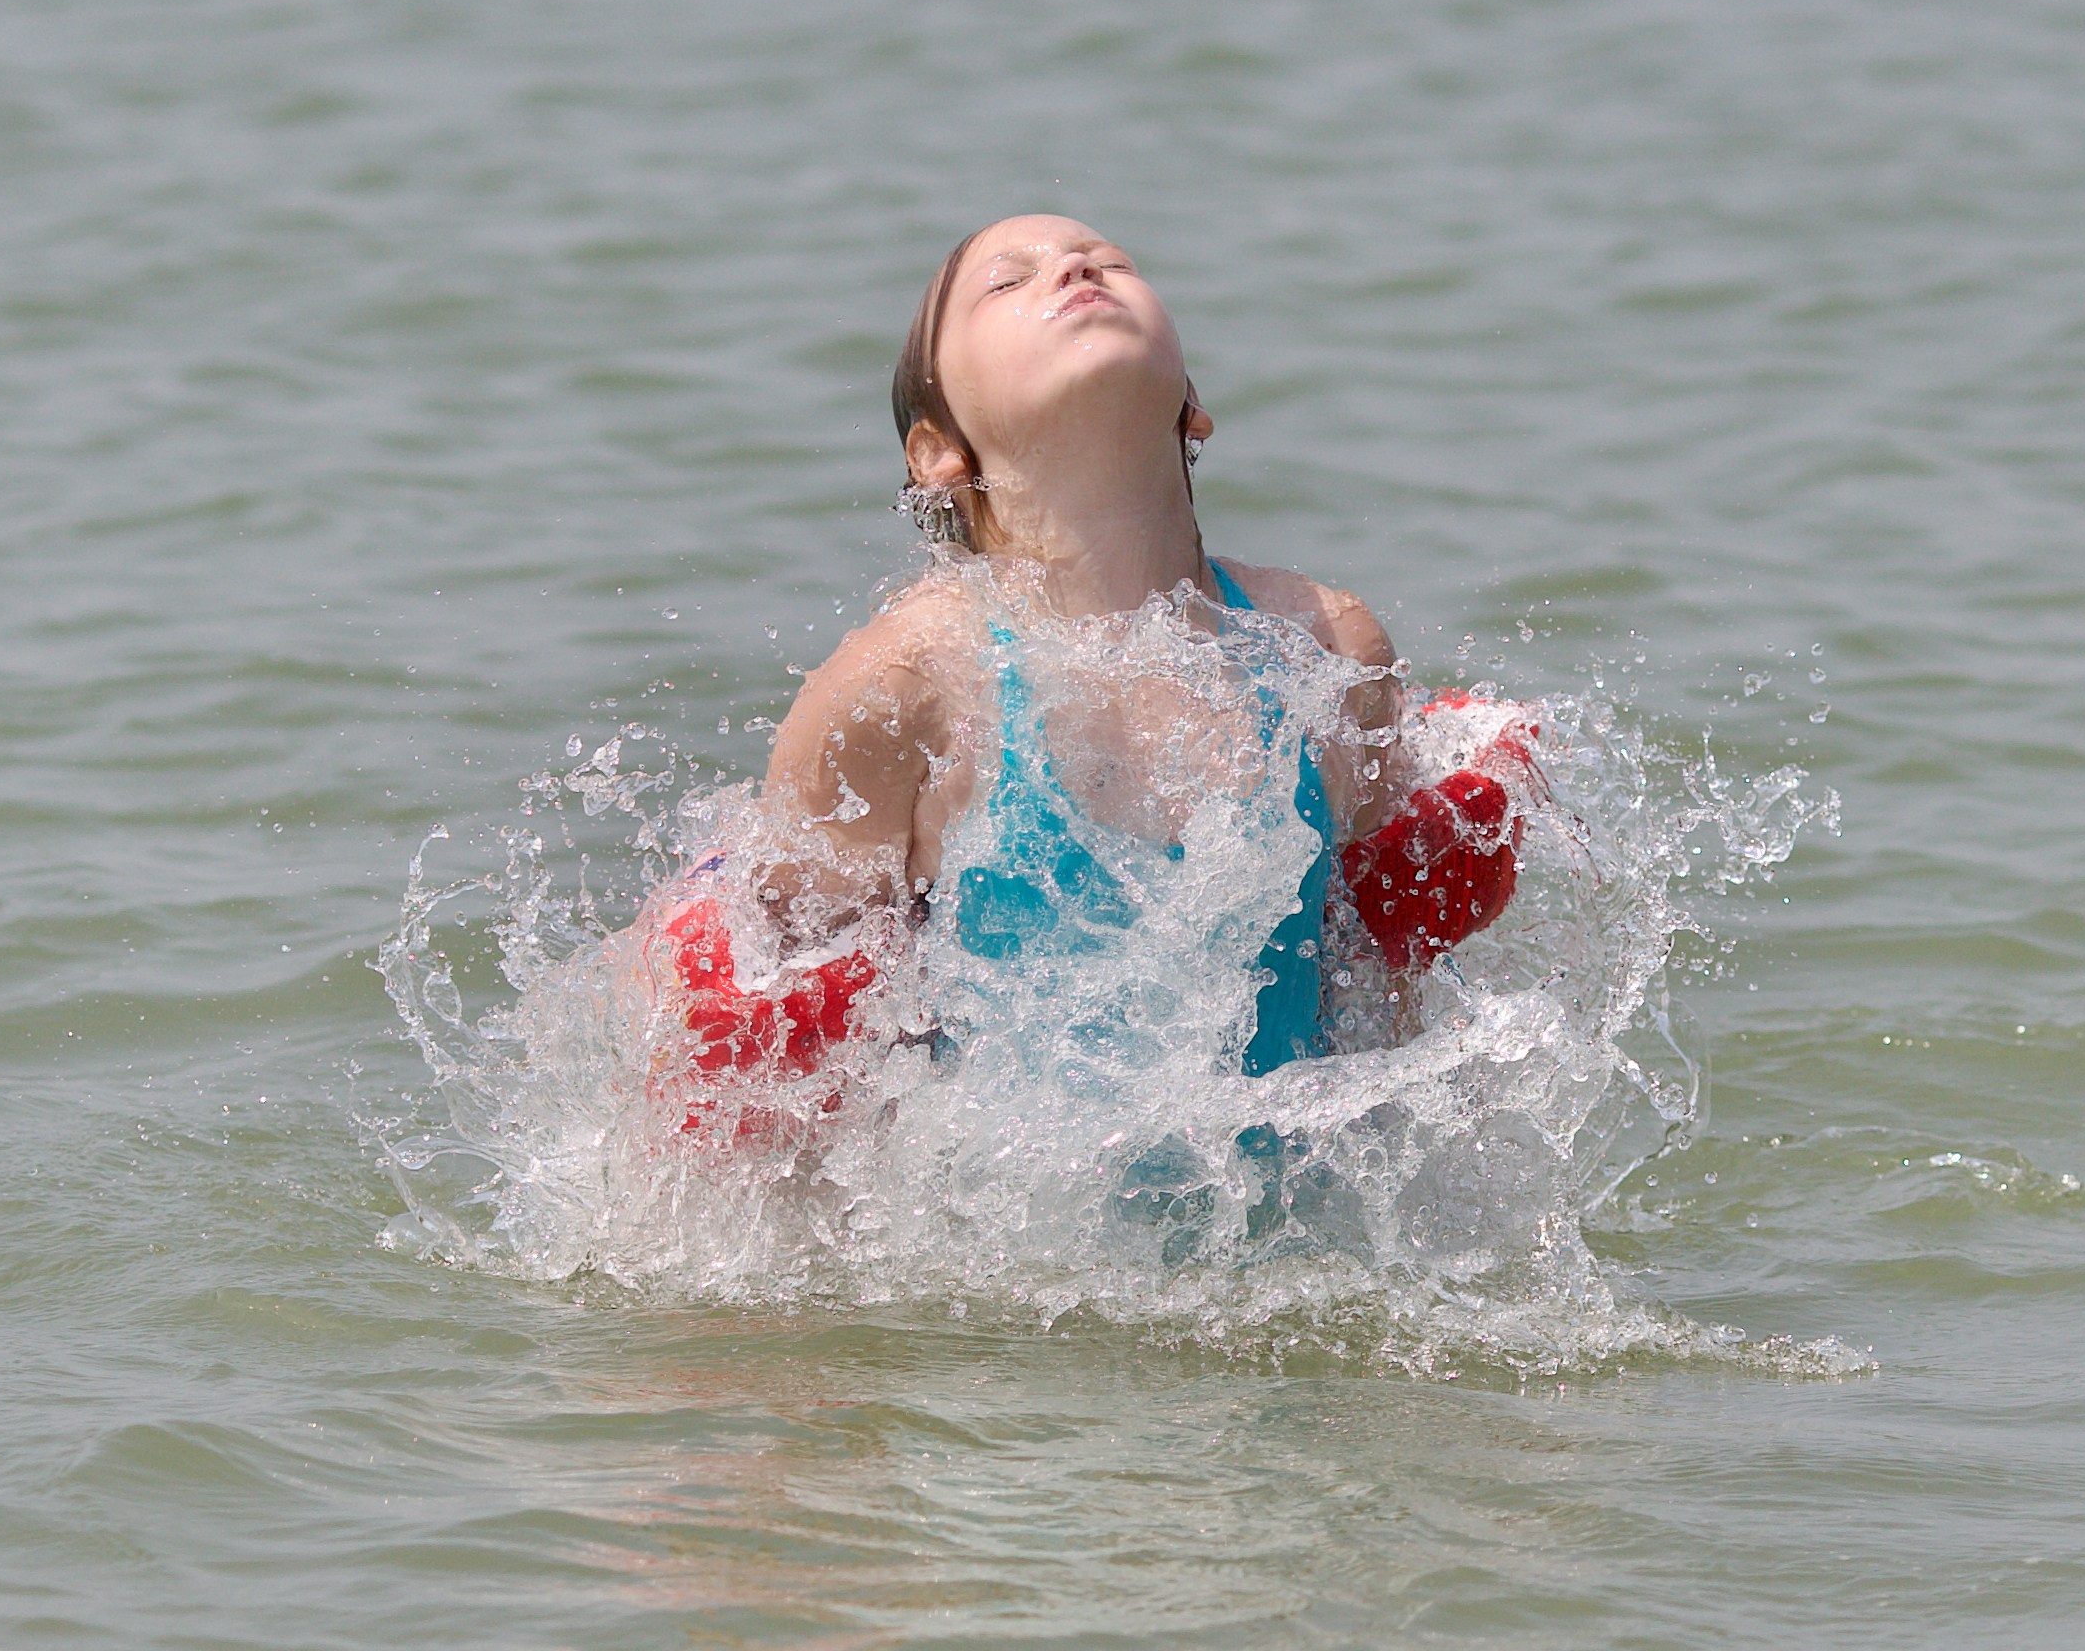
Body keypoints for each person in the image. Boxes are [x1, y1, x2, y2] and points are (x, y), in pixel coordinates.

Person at [643, 214, 1544, 1129]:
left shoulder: (1324, 644)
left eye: (1111, 263)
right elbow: (784, 1046)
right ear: (937, 453)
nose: (1075, 268)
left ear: (1191, 404)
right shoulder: (907, 685)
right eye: (1007, 282)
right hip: (999, 1219)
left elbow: (1377, 978)